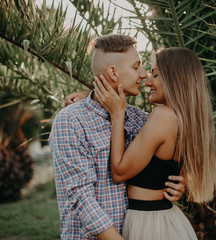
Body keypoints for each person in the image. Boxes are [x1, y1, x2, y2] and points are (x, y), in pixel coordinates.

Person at [49, 34, 186, 240]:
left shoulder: (141, 120)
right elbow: (81, 197)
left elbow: (163, 161)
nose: (143, 75)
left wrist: (180, 182)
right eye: (136, 67)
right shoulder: (70, 121)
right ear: (113, 72)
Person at [93, 47, 216, 240]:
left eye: (155, 75)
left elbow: (119, 172)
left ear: (174, 80)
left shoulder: (164, 116)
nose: (148, 81)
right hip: (165, 219)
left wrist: (117, 114)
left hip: (148, 223)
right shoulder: (188, 120)